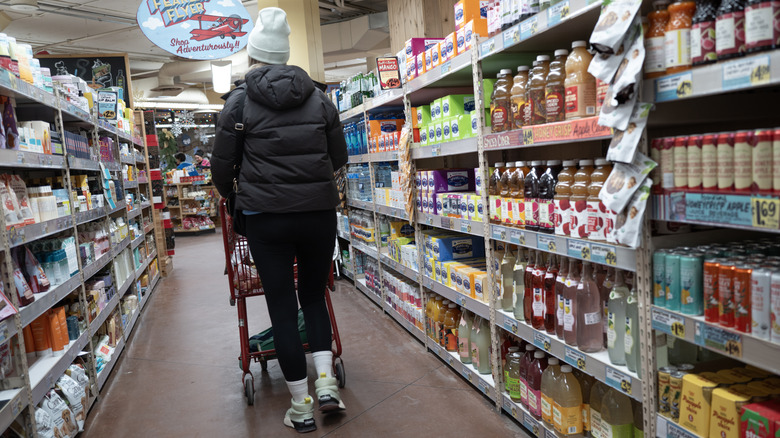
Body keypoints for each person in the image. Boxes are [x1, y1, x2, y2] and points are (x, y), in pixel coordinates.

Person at [211, 7, 348, 434]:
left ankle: (301, 408)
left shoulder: (238, 103)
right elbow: (339, 158)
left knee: (283, 311)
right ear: (287, 55)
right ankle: (327, 385)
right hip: (318, 216)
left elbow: (221, 169)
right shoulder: (320, 98)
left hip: (266, 220)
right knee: (314, 295)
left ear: (253, 57)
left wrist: (239, 195)